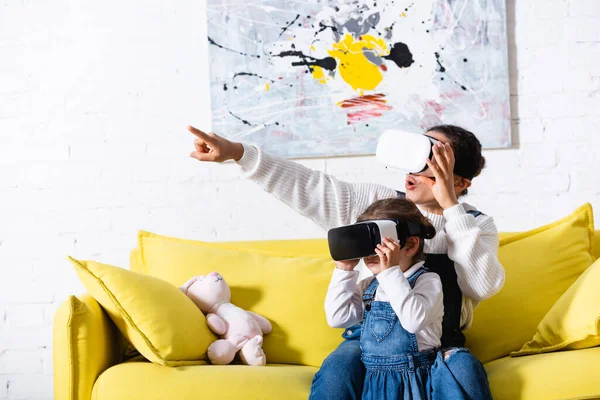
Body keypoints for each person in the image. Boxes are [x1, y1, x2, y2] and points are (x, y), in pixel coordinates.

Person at [186, 124, 503, 400]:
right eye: (416, 155)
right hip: (365, 338)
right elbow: (310, 187)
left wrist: (450, 206)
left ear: (461, 182)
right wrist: (238, 152)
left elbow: (483, 285)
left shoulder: (475, 225)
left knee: (464, 370)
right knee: (337, 373)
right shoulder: (376, 205)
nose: (414, 169)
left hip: (437, 340)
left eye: (432, 162)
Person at [326, 197, 449, 399]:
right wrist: (344, 270)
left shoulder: (428, 281)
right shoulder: (370, 287)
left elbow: (413, 321)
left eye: (378, 245)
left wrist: (390, 271)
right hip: (375, 381)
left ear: (409, 245)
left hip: (415, 379)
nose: (370, 253)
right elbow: (337, 318)